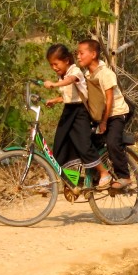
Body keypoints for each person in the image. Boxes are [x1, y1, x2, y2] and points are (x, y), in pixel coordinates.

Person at [42, 43, 113, 189]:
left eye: (56, 63)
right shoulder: (63, 75)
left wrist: (54, 84)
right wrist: (54, 100)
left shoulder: (75, 71)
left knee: (83, 144)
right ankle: (71, 179)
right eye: (51, 65)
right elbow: (70, 97)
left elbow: (71, 81)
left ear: (66, 60)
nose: (54, 67)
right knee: (62, 144)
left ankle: (104, 172)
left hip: (80, 113)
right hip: (69, 111)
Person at [77, 38, 132, 189]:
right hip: (102, 116)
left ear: (93, 54)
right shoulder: (87, 75)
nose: (78, 57)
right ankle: (97, 174)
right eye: (77, 54)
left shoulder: (105, 73)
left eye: (81, 53)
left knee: (113, 142)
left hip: (115, 114)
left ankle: (125, 176)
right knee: (87, 143)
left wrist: (104, 122)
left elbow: (109, 100)